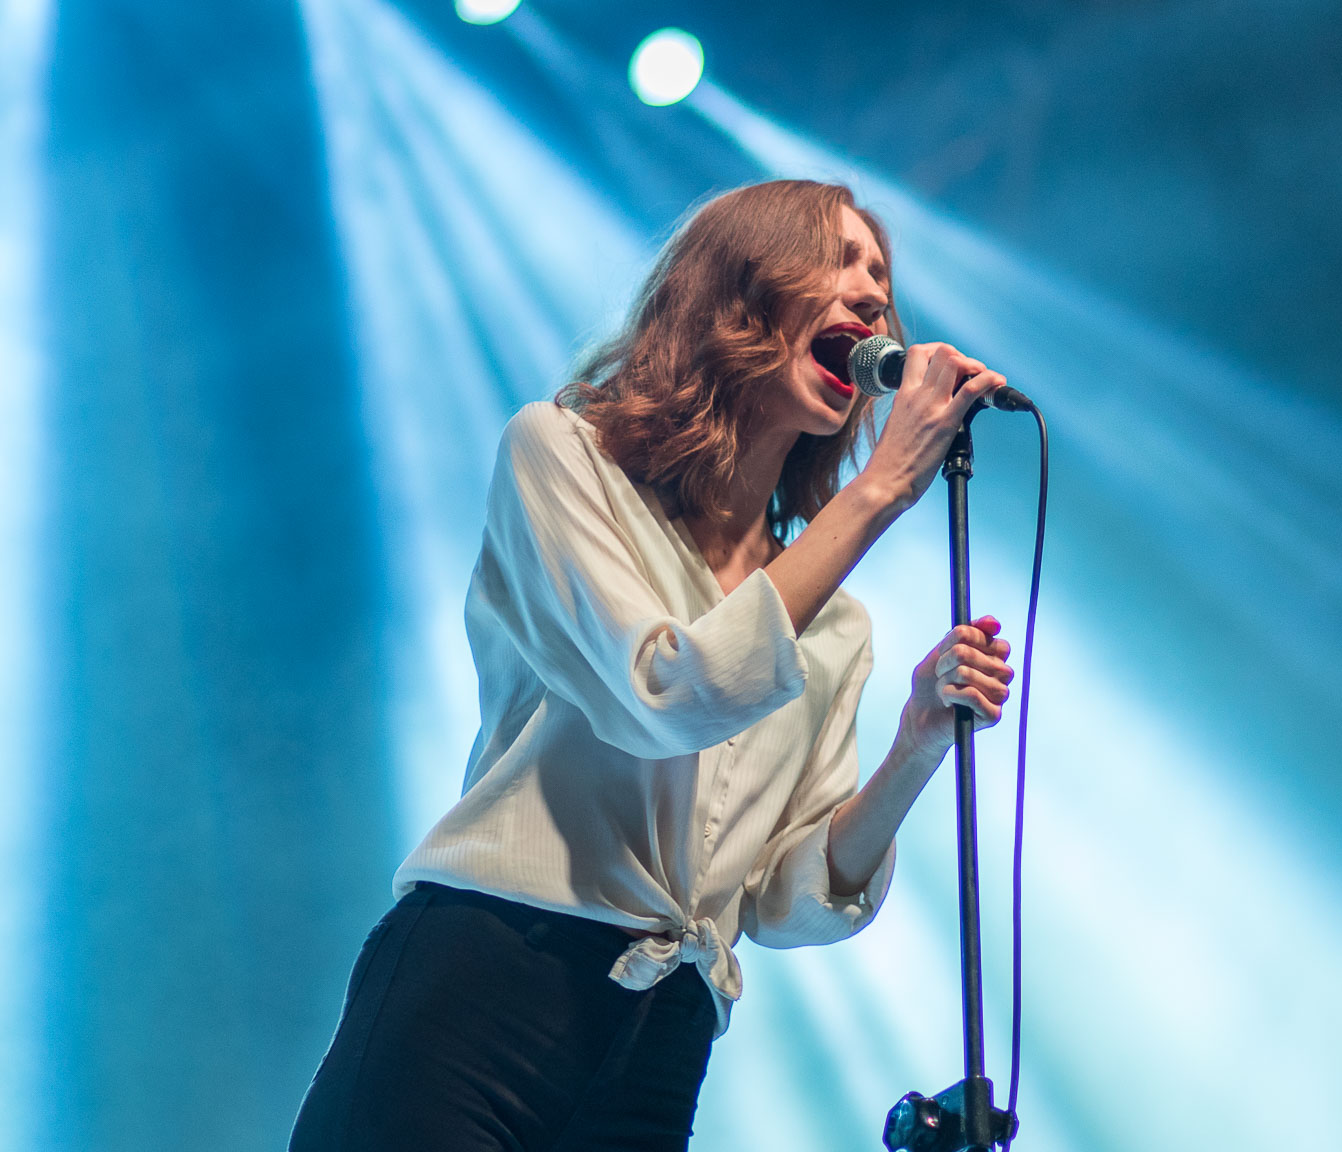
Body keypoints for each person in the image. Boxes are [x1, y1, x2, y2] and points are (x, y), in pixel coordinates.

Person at [290, 179, 1015, 1151]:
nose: (873, 296)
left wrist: (915, 746)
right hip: (496, 972)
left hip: (663, 1033)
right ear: (740, 292)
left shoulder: (834, 624)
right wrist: (882, 487)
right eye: (839, 260)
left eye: (881, 277)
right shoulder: (561, 457)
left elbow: (784, 898)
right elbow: (665, 692)